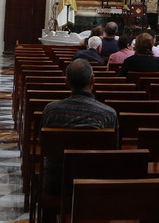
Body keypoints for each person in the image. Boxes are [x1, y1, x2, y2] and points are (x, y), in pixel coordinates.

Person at [40, 60, 118, 192]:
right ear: (93, 80)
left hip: (56, 181)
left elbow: (42, 144)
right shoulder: (108, 114)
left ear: (66, 82)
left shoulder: (51, 111)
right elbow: (112, 152)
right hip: (93, 182)